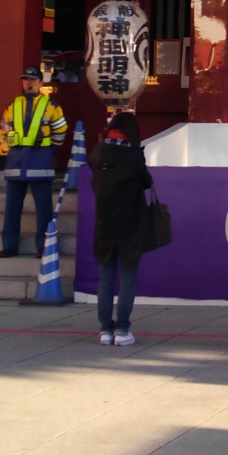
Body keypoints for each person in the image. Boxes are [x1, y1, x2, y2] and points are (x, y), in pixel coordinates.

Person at [89, 112, 152, 347]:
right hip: (129, 220)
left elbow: (94, 181)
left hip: (103, 220)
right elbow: (146, 181)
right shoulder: (134, 154)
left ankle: (105, 330)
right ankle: (123, 329)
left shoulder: (97, 151)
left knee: (105, 274)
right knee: (128, 274)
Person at [0, 66, 67, 259]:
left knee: (43, 209)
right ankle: (9, 246)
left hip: (39, 161)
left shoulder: (50, 105)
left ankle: (43, 246)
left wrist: (50, 150)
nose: (28, 83)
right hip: (17, 162)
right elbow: (4, 128)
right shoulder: (13, 105)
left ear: (40, 83)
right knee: (12, 208)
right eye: (26, 79)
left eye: (33, 79)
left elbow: (60, 130)